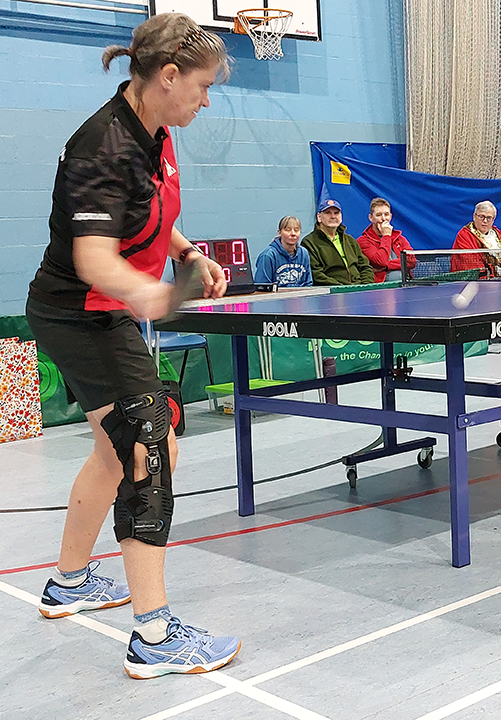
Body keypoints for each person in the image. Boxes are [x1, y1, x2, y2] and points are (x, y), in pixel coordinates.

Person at [24, 13, 240, 678]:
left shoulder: (156, 128)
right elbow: (94, 257)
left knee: (118, 448)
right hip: (81, 312)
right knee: (152, 445)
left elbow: (147, 215)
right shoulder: (103, 147)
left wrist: (185, 254)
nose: (206, 100)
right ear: (167, 76)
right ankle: (153, 636)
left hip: (98, 311)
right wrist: (146, 294)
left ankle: (70, 581)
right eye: (202, 86)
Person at [301, 198, 375, 285]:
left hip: (359, 289)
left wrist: (365, 286)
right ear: (319, 217)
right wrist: (341, 288)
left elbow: (365, 267)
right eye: (328, 213)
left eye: (336, 213)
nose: (333, 216)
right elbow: (316, 274)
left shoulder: (350, 240)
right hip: (333, 293)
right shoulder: (309, 243)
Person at [450, 201, 501, 277]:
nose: (485, 221)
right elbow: (469, 264)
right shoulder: (464, 235)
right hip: (474, 283)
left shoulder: (498, 234)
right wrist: (495, 271)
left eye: (489, 218)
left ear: (493, 219)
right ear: (474, 216)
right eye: (481, 216)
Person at [356, 197, 417, 282]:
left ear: (390, 216)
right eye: (378, 215)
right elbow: (381, 262)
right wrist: (386, 236)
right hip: (381, 288)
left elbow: (412, 261)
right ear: (371, 218)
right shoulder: (363, 241)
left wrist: (387, 266)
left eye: (386, 214)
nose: (383, 218)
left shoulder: (400, 238)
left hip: (406, 284)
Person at [254, 215, 313, 287]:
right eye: (288, 230)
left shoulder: (304, 253)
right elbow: (261, 287)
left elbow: (308, 283)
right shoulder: (267, 256)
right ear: (279, 233)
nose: (293, 234)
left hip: (299, 297)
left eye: (296, 230)